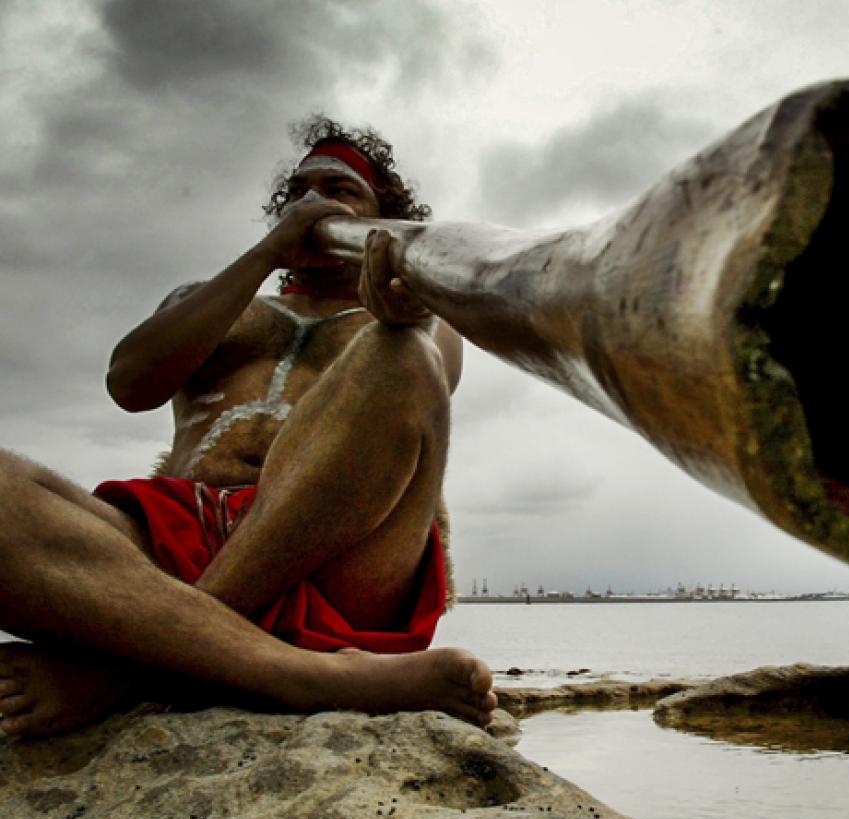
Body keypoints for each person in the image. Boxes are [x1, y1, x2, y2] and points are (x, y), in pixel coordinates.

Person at [0, 117, 496, 738]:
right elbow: (131, 384)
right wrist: (265, 256)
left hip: (339, 558)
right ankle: (301, 674)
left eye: (340, 190)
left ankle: (127, 670)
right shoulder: (214, 299)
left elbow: (422, 385)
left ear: (382, 218)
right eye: (299, 191)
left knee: (400, 356)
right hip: (165, 553)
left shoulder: (415, 316)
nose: (313, 201)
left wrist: (402, 307)